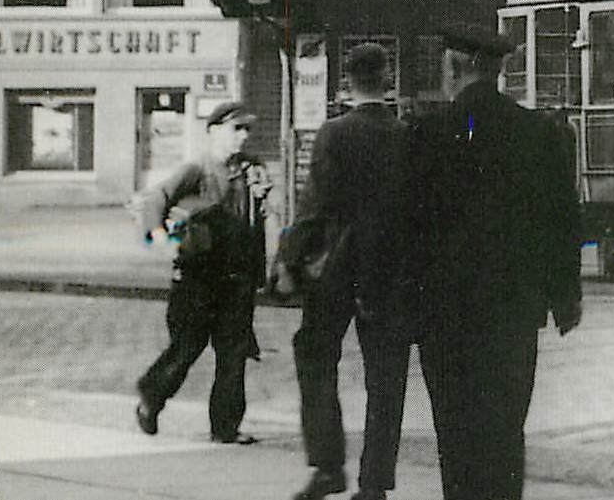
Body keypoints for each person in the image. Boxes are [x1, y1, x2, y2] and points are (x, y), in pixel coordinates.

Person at [371, 26, 583, 500]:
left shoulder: (425, 134)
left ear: (453, 68)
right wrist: (565, 297)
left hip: (445, 316)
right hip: (513, 313)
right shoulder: (538, 132)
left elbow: (400, 227)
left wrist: (398, 304)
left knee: (456, 433)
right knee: (506, 431)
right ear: (497, 70)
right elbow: (562, 220)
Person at [287, 43, 411, 500]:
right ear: (387, 80)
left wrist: (289, 259)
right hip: (390, 271)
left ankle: (327, 465)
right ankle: (375, 483)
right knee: (387, 378)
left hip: (337, 268)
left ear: (346, 83)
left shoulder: (333, 134)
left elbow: (314, 206)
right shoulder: (406, 136)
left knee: (315, 356)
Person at [135, 102, 272, 443]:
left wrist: (263, 198)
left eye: (246, 130)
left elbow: (260, 219)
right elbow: (156, 198)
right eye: (236, 129)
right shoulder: (197, 168)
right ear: (213, 131)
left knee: (233, 355)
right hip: (198, 278)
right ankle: (152, 396)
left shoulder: (251, 169)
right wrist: (159, 235)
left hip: (236, 278)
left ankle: (226, 427)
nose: (243, 136)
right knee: (186, 348)